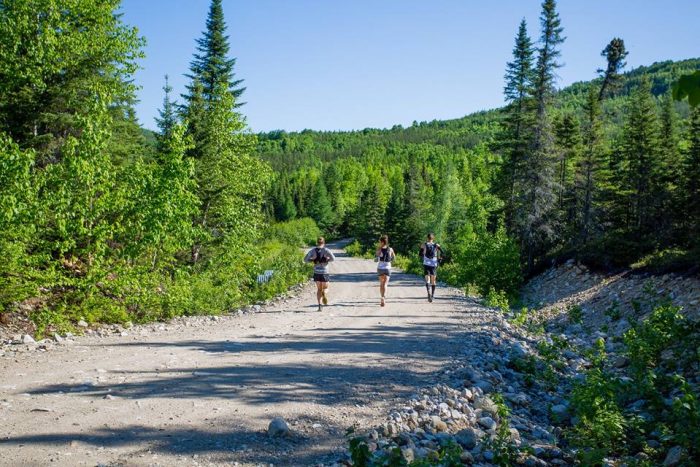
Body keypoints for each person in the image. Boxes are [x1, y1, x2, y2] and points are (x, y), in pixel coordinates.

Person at [304, 237, 335, 311]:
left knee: (318, 289)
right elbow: (333, 259)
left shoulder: (312, 250)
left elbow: (305, 260)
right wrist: (327, 259)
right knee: (326, 288)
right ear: (324, 243)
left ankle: (320, 305)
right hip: (325, 272)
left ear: (317, 242)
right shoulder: (326, 250)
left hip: (316, 272)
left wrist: (312, 260)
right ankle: (324, 293)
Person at [419, 233, 443, 302]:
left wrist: (424, 253)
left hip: (426, 263)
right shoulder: (436, 245)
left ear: (427, 238)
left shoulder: (424, 245)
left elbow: (420, 254)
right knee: (433, 281)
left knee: (427, 279)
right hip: (434, 264)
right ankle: (432, 295)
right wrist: (440, 259)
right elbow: (443, 252)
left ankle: (428, 292)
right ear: (433, 238)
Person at [375, 235, 396, 307]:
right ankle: (384, 297)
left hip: (380, 268)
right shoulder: (390, 249)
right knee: (385, 284)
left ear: (381, 242)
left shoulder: (379, 249)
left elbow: (376, 257)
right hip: (387, 268)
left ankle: (382, 297)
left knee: (381, 283)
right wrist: (390, 261)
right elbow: (394, 258)